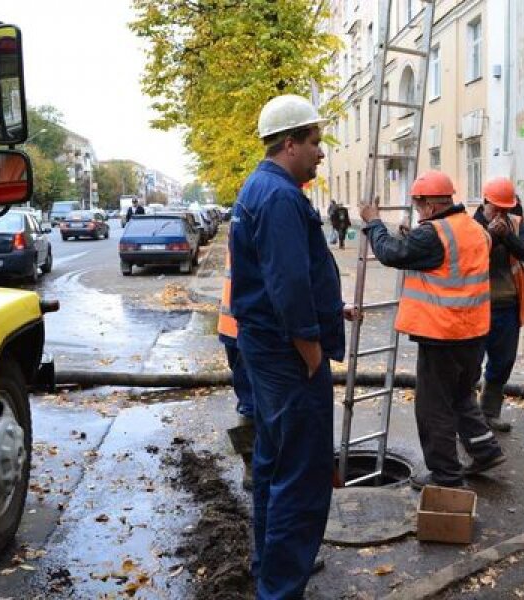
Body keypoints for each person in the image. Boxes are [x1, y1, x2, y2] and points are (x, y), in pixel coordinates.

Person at [230, 94, 355, 599]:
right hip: (289, 356)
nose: (321, 154)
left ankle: (271, 568)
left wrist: (330, 311)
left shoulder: (259, 188)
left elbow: (280, 277)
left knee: (273, 463)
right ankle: (281, 587)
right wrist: (311, 351)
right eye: (315, 143)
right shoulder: (281, 196)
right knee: (301, 477)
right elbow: (287, 284)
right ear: (290, 144)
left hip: (266, 350)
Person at [360, 170, 506, 489]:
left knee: (433, 408)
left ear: (429, 205)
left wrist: (373, 222)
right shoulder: (475, 229)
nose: (418, 212)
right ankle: (485, 449)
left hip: (443, 335)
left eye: (418, 206)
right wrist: (411, 235)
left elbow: (391, 253)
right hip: (474, 332)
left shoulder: (432, 234)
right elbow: (447, 258)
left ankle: (446, 476)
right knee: (461, 396)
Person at [473, 177, 524, 431]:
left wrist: (508, 237)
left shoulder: (516, 223)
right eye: (496, 208)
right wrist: (490, 236)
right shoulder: (470, 225)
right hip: (476, 307)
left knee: (502, 363)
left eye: (505, 208)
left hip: (507, 306)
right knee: (470, 366)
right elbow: (469, 255)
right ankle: (470, 421)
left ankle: (489, 413)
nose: (500, 214)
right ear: (485, 203)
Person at [217, 233, 255, 491]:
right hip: (249, 330)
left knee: (249, 401)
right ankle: (252, 465)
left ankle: (252, 465)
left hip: (234, 328)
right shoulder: (265, 217)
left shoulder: (244, 218)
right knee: (252, 403)